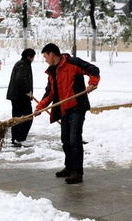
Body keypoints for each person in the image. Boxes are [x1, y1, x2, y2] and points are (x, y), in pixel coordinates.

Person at [34, 43, 100, 184]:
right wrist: (40, 107)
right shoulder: (53, 71)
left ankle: (77, 172)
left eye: (45, 56)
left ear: (52, 54)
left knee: (74, 139)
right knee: (65, 139)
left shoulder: (72, 63)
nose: (45, 59)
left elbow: (93, 69)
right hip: (64, 109)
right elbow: (50, 93)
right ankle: (69, 167)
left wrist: (92, 83)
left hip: (77, 107)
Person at [6, 48, 36, 147]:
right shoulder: (23, 65)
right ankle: (19, 138)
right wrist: (28, 92)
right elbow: (21, 79)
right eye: (33, 57)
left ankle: (16, 138)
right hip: (20, 97)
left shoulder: (22, 63)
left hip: (17, 96)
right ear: (29, 57)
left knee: (18, 118)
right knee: (27, 117)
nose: (33, 59)